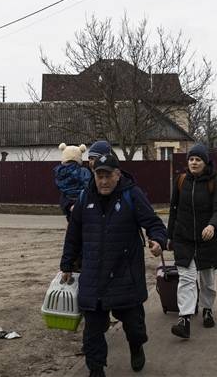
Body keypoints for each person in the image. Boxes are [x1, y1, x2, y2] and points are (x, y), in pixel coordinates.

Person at [60, 154, 167, 377]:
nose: (104, 181)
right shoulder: (84, 198)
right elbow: (73, 234)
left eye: (108, 175)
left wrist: (158, 240)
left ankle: (136, 346)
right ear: (94, 176)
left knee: (135, 329)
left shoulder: (132, 195)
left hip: (124, 276)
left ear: (118, 175)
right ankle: (96, 370)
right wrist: (67, 264)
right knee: (92, 333)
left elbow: (153, 223)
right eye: (100, 176)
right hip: (94, 277)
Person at [166, 144, 217, 339]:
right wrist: (169, 236)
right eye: (191, 159)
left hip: (207, 239)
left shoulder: (215, 182)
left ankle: (207, 308)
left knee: (207, 279)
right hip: (183, 238)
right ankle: (184, 319)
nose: (194, 162)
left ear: (205, 162)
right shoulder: (181, 180)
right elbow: (173, 209)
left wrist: (212, 225)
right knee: (186, 278)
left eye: (198, 159)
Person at [53, 143, 92, 220]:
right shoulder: (82, 171)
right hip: (80, 198)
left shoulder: (59, 171)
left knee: (71, 220)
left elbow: (57, 184)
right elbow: (88, 183)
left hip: (66, 199)